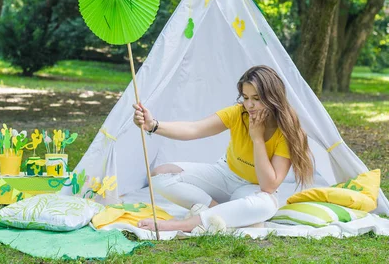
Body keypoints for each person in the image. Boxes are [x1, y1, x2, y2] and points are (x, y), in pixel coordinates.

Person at [133, 65, 313, 232]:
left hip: (253, 188)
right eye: (246, 97)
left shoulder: (288, 132)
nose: (249, 105)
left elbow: (268, 185)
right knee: (161, 174)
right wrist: (153, 125)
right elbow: (194, 129)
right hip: (224, 175)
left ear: (274, 98)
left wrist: (257, 138)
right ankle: (222, 213)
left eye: (257, 99)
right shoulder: (238, 113)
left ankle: (183, 225)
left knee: (265, 205)